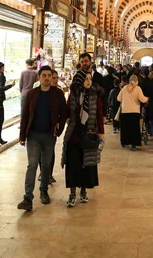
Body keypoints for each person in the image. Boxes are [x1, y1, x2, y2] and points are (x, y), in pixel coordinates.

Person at [17, 65, 67, 211]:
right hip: (33, 135)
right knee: (32, 165)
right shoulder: (32, 94)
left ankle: (43, 190)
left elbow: (64, 114)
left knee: (46, 165)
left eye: (49, 75)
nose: (46, 78)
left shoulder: (57, 94)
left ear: (52, 77)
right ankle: (28, 197)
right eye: (44, 75)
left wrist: (59, 129)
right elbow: (25, 115)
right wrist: (22, 136)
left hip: (49, 136)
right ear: (39, 77)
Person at [62, 69, 104, 208]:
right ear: (79, 80)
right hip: (74, 135)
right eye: (86, 79)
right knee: (73, 164)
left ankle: (84, 191)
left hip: (89, 134)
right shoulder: (73, 95)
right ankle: (72, 193)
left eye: (90, 79)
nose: (88, 82)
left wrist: (101, 133)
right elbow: (67, 110)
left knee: (87, 164)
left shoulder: (94, 95)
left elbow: (99, 114)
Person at [117, 75, 148, 151]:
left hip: (125, 111)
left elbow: (118, 98)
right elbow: (142, 99)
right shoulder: (137, 88)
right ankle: (133, 145)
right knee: (134, 129)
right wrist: (147, 98)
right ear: (136, 81)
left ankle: (124, 142)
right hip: (134, 112)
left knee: (125, 128)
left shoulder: (124, 88)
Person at [80, 52, 107, 117]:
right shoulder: (78, 77)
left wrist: (104, 114)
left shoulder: (98, 77)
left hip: (95, 112)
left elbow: (103, 95)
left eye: (86, 61)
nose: (84, 63)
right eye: (82, 62)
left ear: (90, 62)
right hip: (81, 112)